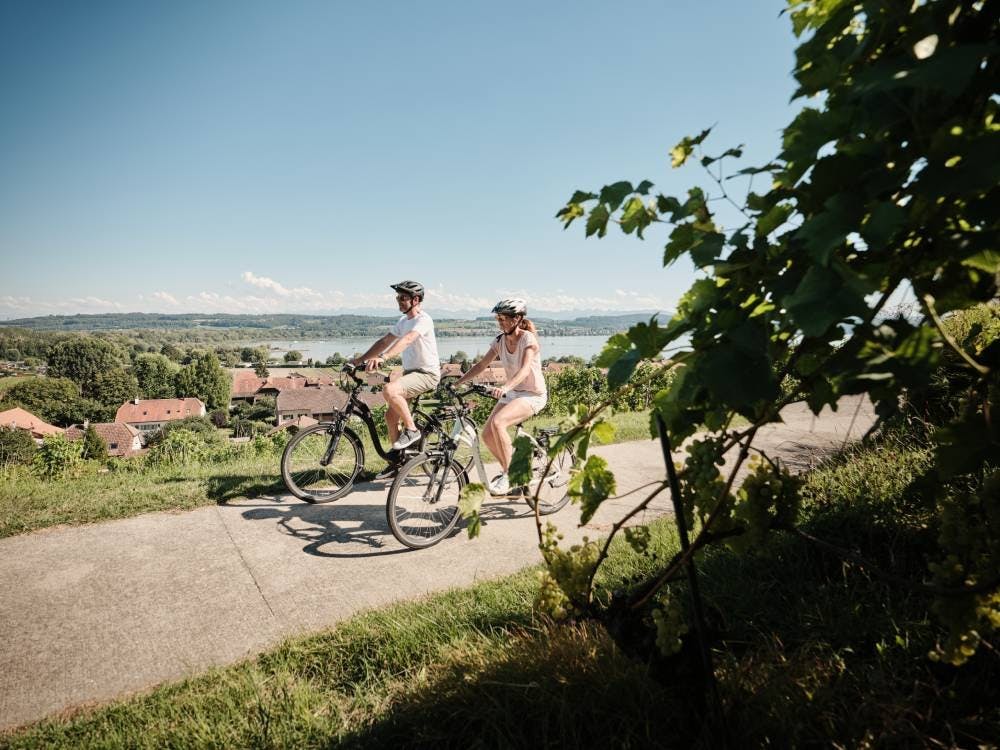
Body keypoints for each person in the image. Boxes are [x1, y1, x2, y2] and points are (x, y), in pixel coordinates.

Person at [454, 298, 547, 494]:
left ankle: (510, 475)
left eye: (504, 318)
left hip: (532, 394)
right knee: (487, 435)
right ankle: (513, 470)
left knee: (499, 423)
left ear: (517, 318)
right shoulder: (500, 340)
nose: (500, 321)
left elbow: (524, 370)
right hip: (513, 393)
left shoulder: (528, 339)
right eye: (498, 318)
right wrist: (457, 382)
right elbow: (480, 365)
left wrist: (505, 387)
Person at [352, 280, 441, 460]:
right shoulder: (403, 321)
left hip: (427, 374)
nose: (399, 301)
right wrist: (360, 360)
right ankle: (399, 461)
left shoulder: (423, 320)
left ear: (415, 300)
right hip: (411, 374)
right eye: (397, 297)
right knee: (390, 418)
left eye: (403, 297)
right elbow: (385, 341)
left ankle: (412, 430)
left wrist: (383, 357)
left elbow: (407, 340)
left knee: (390, 390)